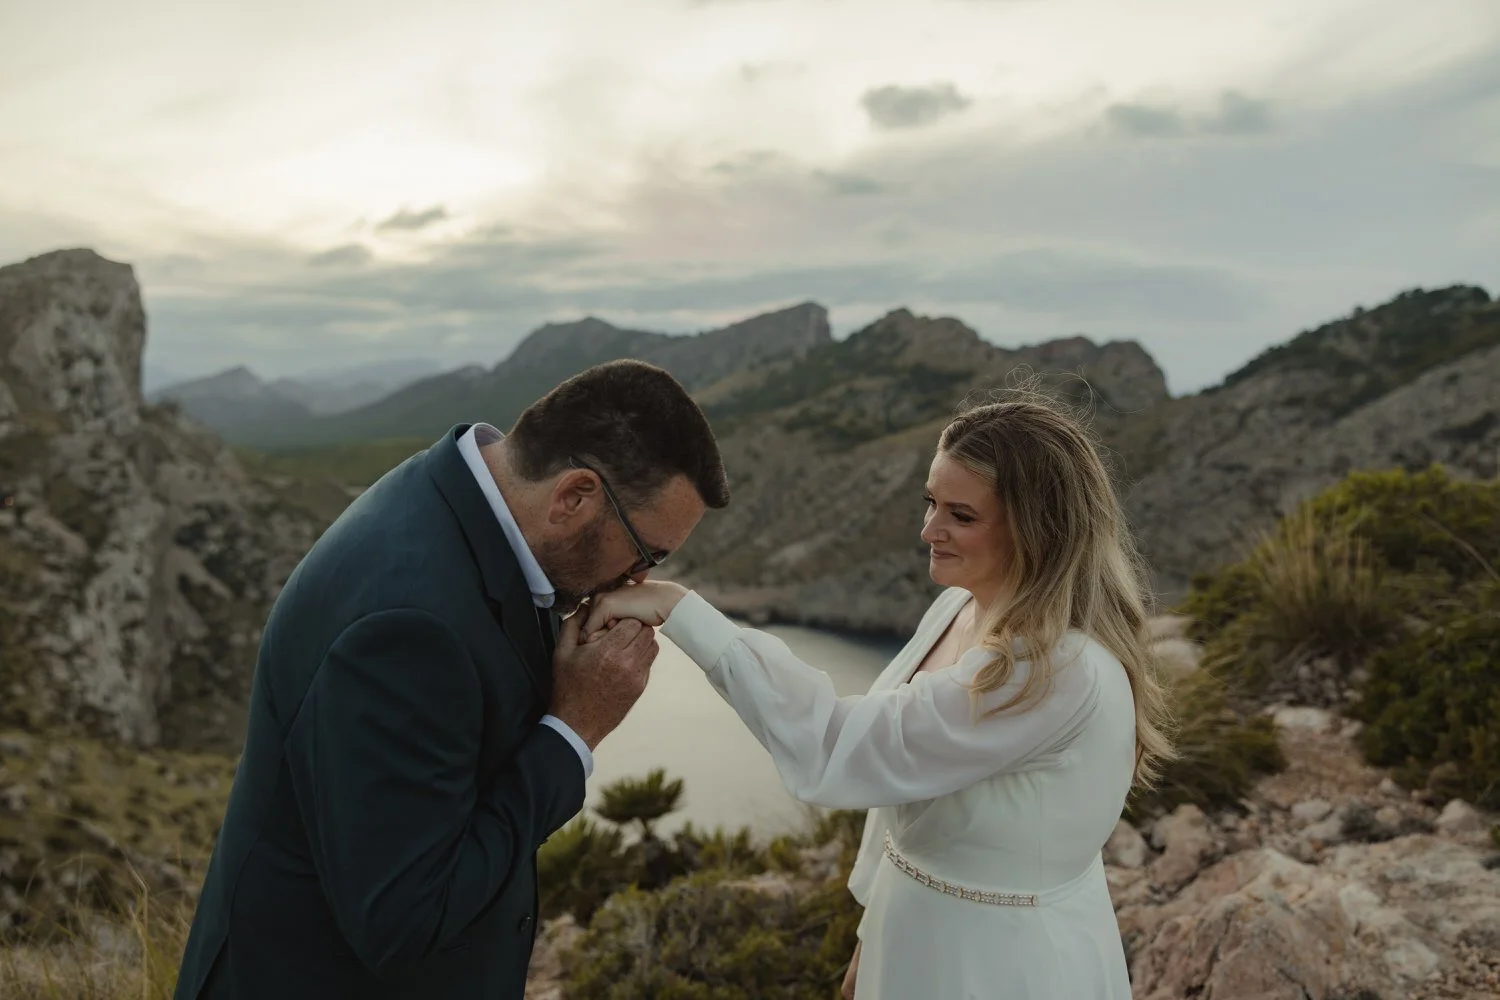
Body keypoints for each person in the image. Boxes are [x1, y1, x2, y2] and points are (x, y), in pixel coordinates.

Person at [581, 392, 1176, 1000]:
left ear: (1039, 531)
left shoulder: (1054, 668)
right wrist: (872, 928)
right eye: (930, 503)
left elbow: (840, 745)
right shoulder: (959, 608)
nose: (928, 531)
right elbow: (898, 776)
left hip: (1000, 963)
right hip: (917, 933)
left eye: (961, 516)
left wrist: (680, 610)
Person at [172, 359, 730, 1000]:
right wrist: (573, 730)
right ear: (573, 496)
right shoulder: (410, 630)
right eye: (647, 551)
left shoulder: (464, 500)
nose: (639, 579)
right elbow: (405, 920)